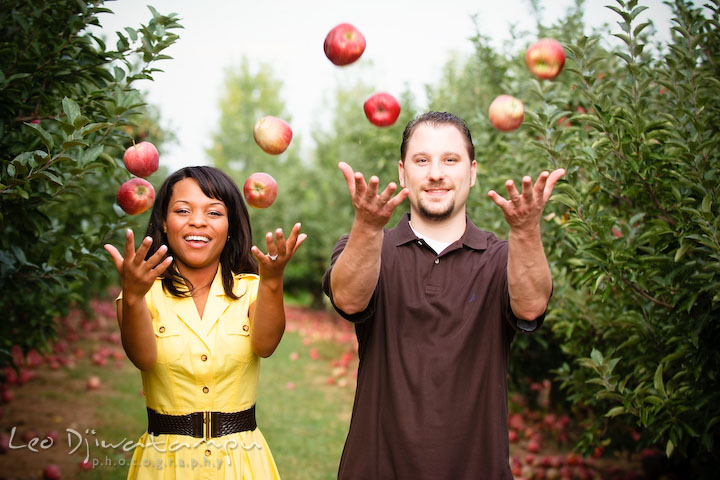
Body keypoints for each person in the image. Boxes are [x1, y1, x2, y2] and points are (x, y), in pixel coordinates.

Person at [322, 111, 565, 479]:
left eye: (450, 160)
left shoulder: (502, 259)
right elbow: (349, 298)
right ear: (403, 173)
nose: (436, 173)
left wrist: (527, 231)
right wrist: (367, 226)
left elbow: (531, 305)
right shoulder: (370, 247)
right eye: (422, 160)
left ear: (472, 171)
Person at [104, 166, 305, 479]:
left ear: (230, 227)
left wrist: (273, 281)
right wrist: (132, 296)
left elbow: (265, 345)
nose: (197, 221)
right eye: (183, 210)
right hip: (166, 464)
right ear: (164, 225)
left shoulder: (252, 289)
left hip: (242, 461)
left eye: (213, 212)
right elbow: (142, 358)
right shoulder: (144, 295)